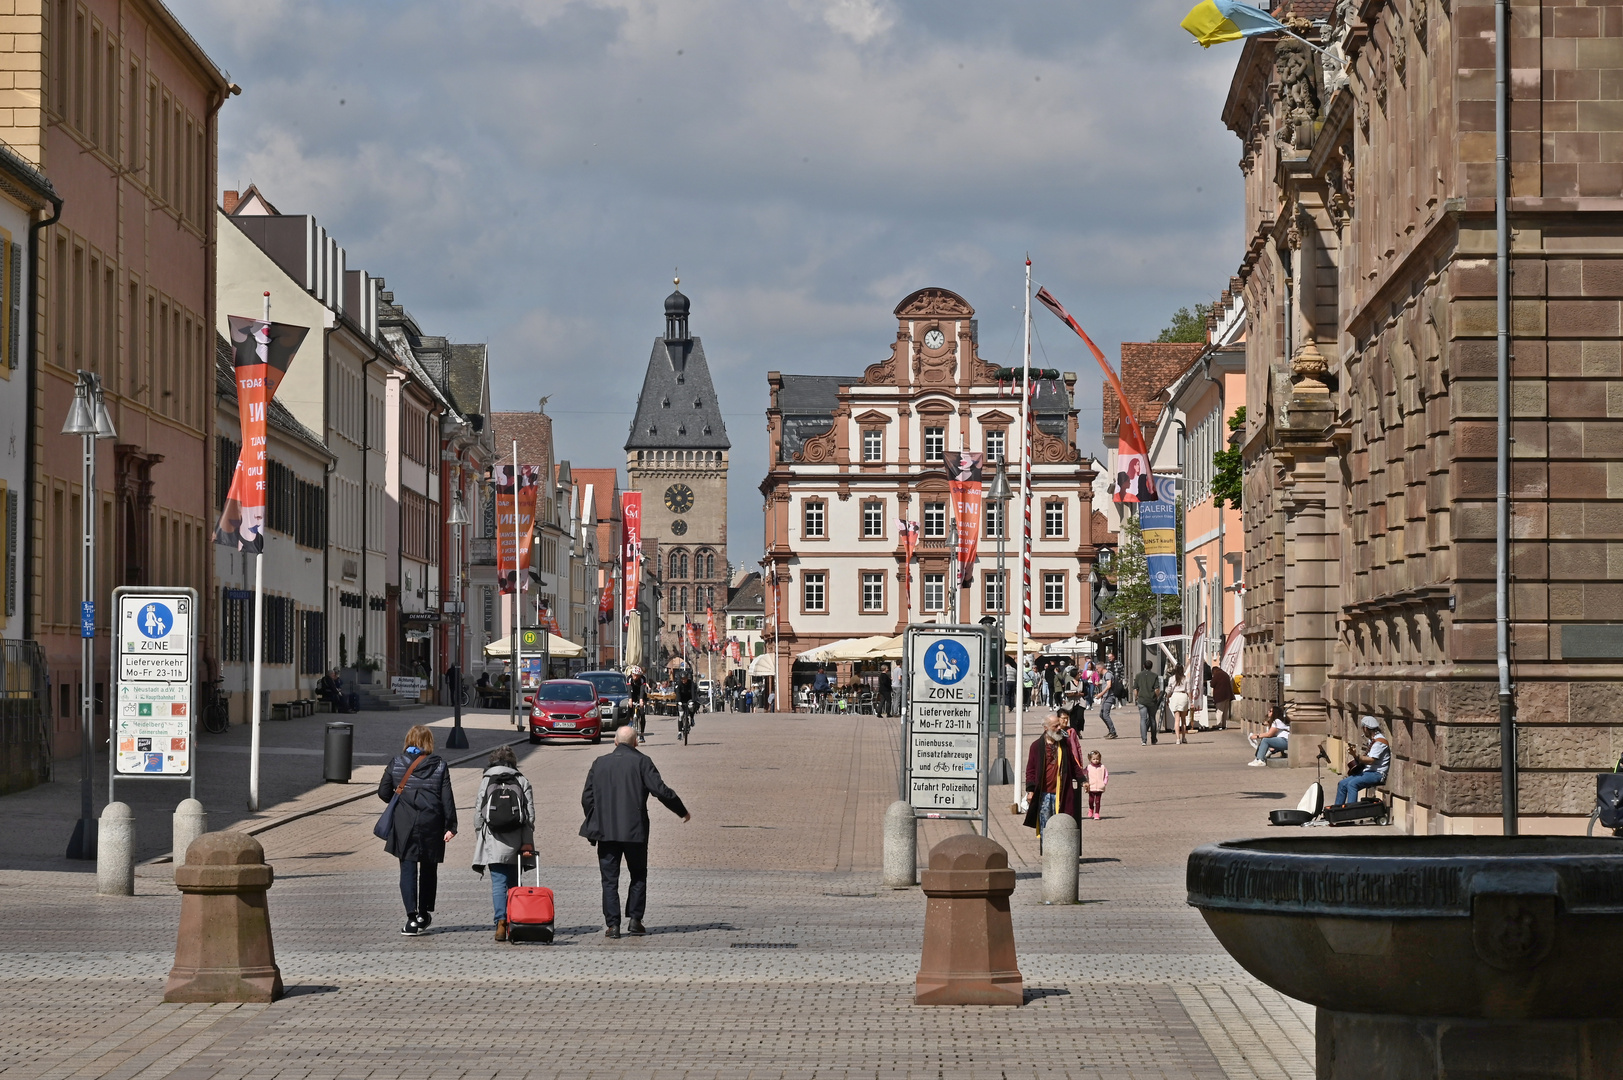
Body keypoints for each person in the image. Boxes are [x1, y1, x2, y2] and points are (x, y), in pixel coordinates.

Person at [579, 725, 691, 937]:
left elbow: (587, 798)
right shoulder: (642, 762)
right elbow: (661, 791)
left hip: (606, 831)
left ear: (614, 741)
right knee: (638, 874)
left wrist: (595, 819)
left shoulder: (599, 764)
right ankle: (635, 920)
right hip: (635, 831)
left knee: (609, 879)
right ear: (636, 742)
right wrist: (681, 810)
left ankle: (613, 925)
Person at [377, 725, 456, 936]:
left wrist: (401, 799)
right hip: (432, 823)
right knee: (429, 869)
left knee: (408, 868)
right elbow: (446, 798)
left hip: (405, 824)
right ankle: (423, 913)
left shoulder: (396, 763)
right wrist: (451, 826)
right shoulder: (440, 765)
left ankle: (411, 919)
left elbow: (384, 792)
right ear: (429, 742)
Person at [470, 745, 535, 942]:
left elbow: (478, 814)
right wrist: (527, 841)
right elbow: (529, 816)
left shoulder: (487, 780)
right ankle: (515, 920)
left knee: (498, 883)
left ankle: (500, 922)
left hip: (493, 839)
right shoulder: (522, 780)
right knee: (515, 883)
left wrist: (479, 837)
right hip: (516, 841)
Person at [1023, 711, 1081, 834]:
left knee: (1062, 825)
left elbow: (1073, 764)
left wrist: (1083, 780)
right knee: (1046, 826)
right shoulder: (1036, 746)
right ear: (1046, 728)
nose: (1059, 728)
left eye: (1059, 725)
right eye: (1055, 726)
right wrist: (1030, 791)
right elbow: (1031, 770)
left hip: (1062, 793)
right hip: (1044, 794)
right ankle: (1047, 851)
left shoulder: (1064, 744)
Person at [1334, 716, 1390, 806]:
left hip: (1377, 774)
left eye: (1363, 729)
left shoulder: (1380, 742)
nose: (1363, 731)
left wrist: (1355, 755)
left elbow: (1371, 760)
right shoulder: (1372, 741)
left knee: (1352, 784)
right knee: (1342, 784)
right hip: (1367, 772)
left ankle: (1351, 813)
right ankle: (1337, 811)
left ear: (1366, 728)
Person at [1134, 660, 1160, 746]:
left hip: (1142, 699)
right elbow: (1157, 689)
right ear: (1151, 666)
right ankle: (1153, 739)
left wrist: (1136, 697)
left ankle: (1144, 740)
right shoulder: (1154, 676)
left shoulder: (1138, 676)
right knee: (1152, 718)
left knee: (1143, 719)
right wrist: (1156, 696)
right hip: (1151, 700)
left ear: (1143, 665)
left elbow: (1135, 689)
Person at [1168, 664, 1191, 745]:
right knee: (1183, 720)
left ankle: (1178, 739)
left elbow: (1169, 690)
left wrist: (1167, 698)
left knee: (1176, 720)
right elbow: (1188, 691)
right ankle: (1184, 737)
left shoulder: (1172, 678)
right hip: (1183, 696)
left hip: (1175, 696)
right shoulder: (1186, 678)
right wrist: (1191, 702)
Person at [1083, 749, 1108, 820]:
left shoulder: (1102, 767)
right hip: (1091, 787)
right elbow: (1083, 772)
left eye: (1097, 759)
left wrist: (1104, 783)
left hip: (1100, 787)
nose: (1096, 760)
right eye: (1094, 759)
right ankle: (1091, 809)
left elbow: (1106, 775)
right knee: (1091, 800)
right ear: (1090, 759)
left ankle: (1097, 813)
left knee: (1097, 801)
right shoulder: (1089, 767)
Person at [1209, 664, 1235, 729]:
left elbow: (1212, 684)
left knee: (1219, 711)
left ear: (1214, 671)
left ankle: (1219, 724)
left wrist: (1211, 681)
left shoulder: (1217, 675)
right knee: (1225, 711)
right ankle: (1224, 725)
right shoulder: (1225, 674)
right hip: (1228, 695)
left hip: (1220, 696)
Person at [1099, 669, 1121, 740]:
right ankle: (1110, 730)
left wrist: (1101, 694)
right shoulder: (1105, 675)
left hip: (1109, 697)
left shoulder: (1108, 675)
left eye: (1097, 669)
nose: (1097, 671)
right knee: (1101, 714)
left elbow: (1109, 685)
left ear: (1100, 668)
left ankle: (1113, 732)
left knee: (1105, 715)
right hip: (1105, 697)